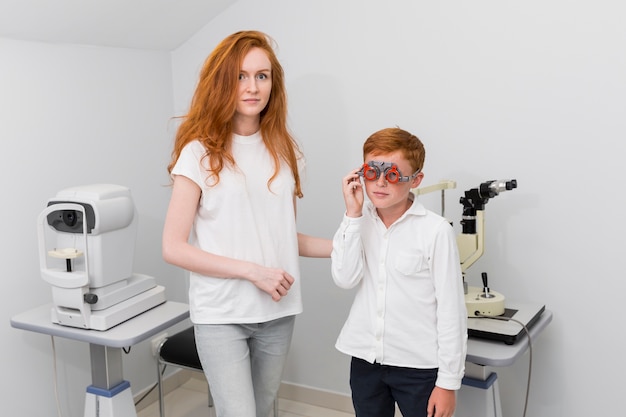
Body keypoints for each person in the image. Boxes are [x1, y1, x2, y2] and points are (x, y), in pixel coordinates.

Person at [162, 30, 331, 417]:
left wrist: (352, 243)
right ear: (223, 82)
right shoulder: (199, 153)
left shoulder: (286, 151)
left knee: (262, 408)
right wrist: (252, 272)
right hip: (221, 315)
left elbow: (285, 237)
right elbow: (173, 247)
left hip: (278, 311)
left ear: (274, 82)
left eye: (262, 75)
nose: (252, 87)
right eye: (240, 76)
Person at [331, 127, 467, 417]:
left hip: (419, 368)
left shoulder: (435, 231)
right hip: (366, 361)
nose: (380, 183)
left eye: (392, 175)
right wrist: (352, 215)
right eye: (371, 172)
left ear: (415, 180)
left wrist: (448, 383)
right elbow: (344, 278)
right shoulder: (357, 221)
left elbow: (451, 310)